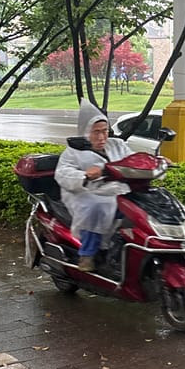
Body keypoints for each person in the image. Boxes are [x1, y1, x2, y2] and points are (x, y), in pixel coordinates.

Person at [55, 99, 132, 272]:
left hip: (116, 190)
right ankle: (87, 255)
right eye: (96, 132)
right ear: (85, 132)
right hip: (86, 193)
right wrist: (84, 175)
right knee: (97, 207)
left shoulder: (117, 145)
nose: (101, 137)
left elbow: (133, 160)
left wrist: (156, 161)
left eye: (104, 131)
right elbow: (62, 173)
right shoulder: (73, 152)